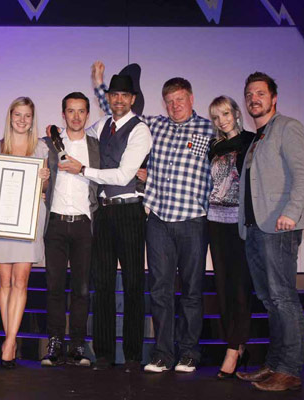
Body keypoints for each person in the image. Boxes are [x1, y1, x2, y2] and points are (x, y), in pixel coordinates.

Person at [91, 61, 213, 373]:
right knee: (160, 290)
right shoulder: (154, 126)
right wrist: (100, 85)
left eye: (180, 100)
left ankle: (189, 353)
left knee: (191, 291)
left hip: (193, 220)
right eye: (169, 101)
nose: (175, 106)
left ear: (191, 99)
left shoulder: (209, 130)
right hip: (158, 218)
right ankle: (163, 354)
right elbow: (119, 108)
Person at [61, 74, 151, 373]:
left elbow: (124, 175)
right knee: (102, 284)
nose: (119, 100)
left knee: (134, 284)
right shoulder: (101, 126)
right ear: (108, 98)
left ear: (133, 99)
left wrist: (83, 170)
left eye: (124, 95)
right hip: (103, 212)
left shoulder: (140, 130)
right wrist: (53, 133)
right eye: (114, 95)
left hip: (129, 211)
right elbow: (76, 133)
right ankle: (103, 354)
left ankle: (133, 355)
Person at [235, 72, 304, 391]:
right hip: (255, 229)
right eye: (249, 94)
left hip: (279, 227)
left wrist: (291, 213)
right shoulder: (257, 138)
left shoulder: (288, 127)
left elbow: (303, 175)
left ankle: (290, 370)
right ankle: (275, 364)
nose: (254, 99)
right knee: (270, 300)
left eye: (260, 93)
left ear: (274, 98)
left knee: (283, 298)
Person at [0, 96, 50, 368]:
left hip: (28, 219)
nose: (22, 120)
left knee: (21, 281)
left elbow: (43, 190)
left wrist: (44, 180)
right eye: (17, 114)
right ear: (10, 117)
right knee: (5, 281)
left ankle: (9, 342)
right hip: (2, 220)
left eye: (27, 115)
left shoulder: (40, 147)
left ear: (33, 119)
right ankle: (10, 339)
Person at [40, 92, 100, 367]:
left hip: (84, 225)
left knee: (82, 289)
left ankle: (77, 344)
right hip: (55, 223)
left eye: (81, 111)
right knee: (54, 287)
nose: (76, 116)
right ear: (63, 114)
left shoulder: (96, 146)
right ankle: (54, 342)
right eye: (71, 111)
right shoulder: (48, 144)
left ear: (87, 114)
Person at [207, 96, 254, 378]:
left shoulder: (250, 141)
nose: (222, 120)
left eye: (225, 113)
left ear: (236, 113)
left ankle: (233, 349)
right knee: (222, 287)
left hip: (241, 224)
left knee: (240, 286)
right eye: (216, 117)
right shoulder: (213, 147)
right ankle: (236, 344)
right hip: (215, 222)